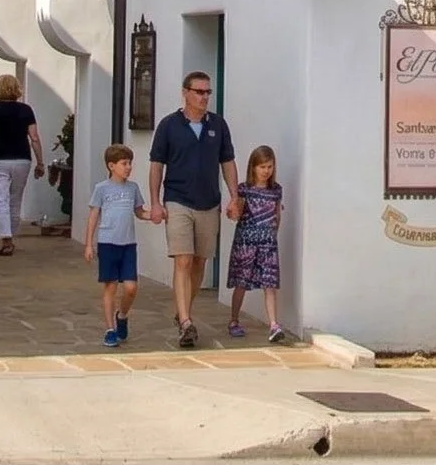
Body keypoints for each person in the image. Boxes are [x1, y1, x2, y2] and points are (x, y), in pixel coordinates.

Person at [146, 71, 240, 348]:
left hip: (209, 202)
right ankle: (186, 321)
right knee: (183, 260)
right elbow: (156, 165)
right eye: (198, 91)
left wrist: (234, 196)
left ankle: (183, 309)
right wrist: (155, 201)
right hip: (177, 200)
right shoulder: (169, 125)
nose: (204, 97)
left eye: (207, 92)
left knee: (200, 262)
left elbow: (228, 162)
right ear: (185, 92)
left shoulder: (218, 126)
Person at [83, 145, 148, 347]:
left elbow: (139, 212)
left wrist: (153, 216)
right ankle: (110, 329)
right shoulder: (101, 189)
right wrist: (88, 244)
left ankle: (122, 315)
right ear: (112, 166)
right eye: (124, 163)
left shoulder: (133, 188)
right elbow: (94, 215)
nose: (128, 167)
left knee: (130, 287)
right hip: (107, 242)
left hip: (128, 243)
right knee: (110, 286)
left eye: (129, 163)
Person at [225, 145, 288, 344]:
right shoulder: (243, 190)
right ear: (253, 167)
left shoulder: (276, 190)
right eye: (262, 167)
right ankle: (234, 320)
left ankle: (274, 325)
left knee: (269, 284)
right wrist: (232, 210)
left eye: (269, 166)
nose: (266, 171)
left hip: (268, 244)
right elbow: (235, 214)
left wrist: (273, 234)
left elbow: (277, 215)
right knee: (241, 283)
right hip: (246, 243)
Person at [0, 74, 43, 256]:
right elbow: (34, 138)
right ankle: (11, 234)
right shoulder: (26, 110)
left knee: (1, 198)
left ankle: (7, 238)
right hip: (22, 158)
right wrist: (40, 162)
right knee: (16, 198)